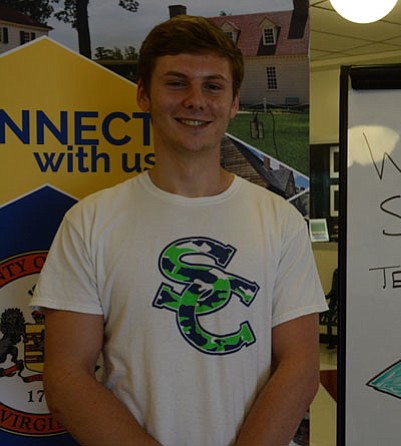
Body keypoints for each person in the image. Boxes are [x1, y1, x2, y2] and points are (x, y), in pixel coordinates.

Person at [30, 15, 328, 446]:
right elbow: (64, 376)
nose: (195, 100)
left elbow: (300, 367)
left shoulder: (279, 220)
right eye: (176, 83)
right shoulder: (90, 221)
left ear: (233, 103)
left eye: (212, 86)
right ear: (143, 96)